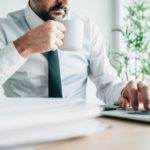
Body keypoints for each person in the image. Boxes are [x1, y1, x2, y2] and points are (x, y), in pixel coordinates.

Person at [0, 0, 149, 111]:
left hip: (77, 127)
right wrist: (24, 46)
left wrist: (124, 91)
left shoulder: (87, 27)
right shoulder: (4, 28)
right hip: (23, 129)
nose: (63, 2)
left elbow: (106, 83)